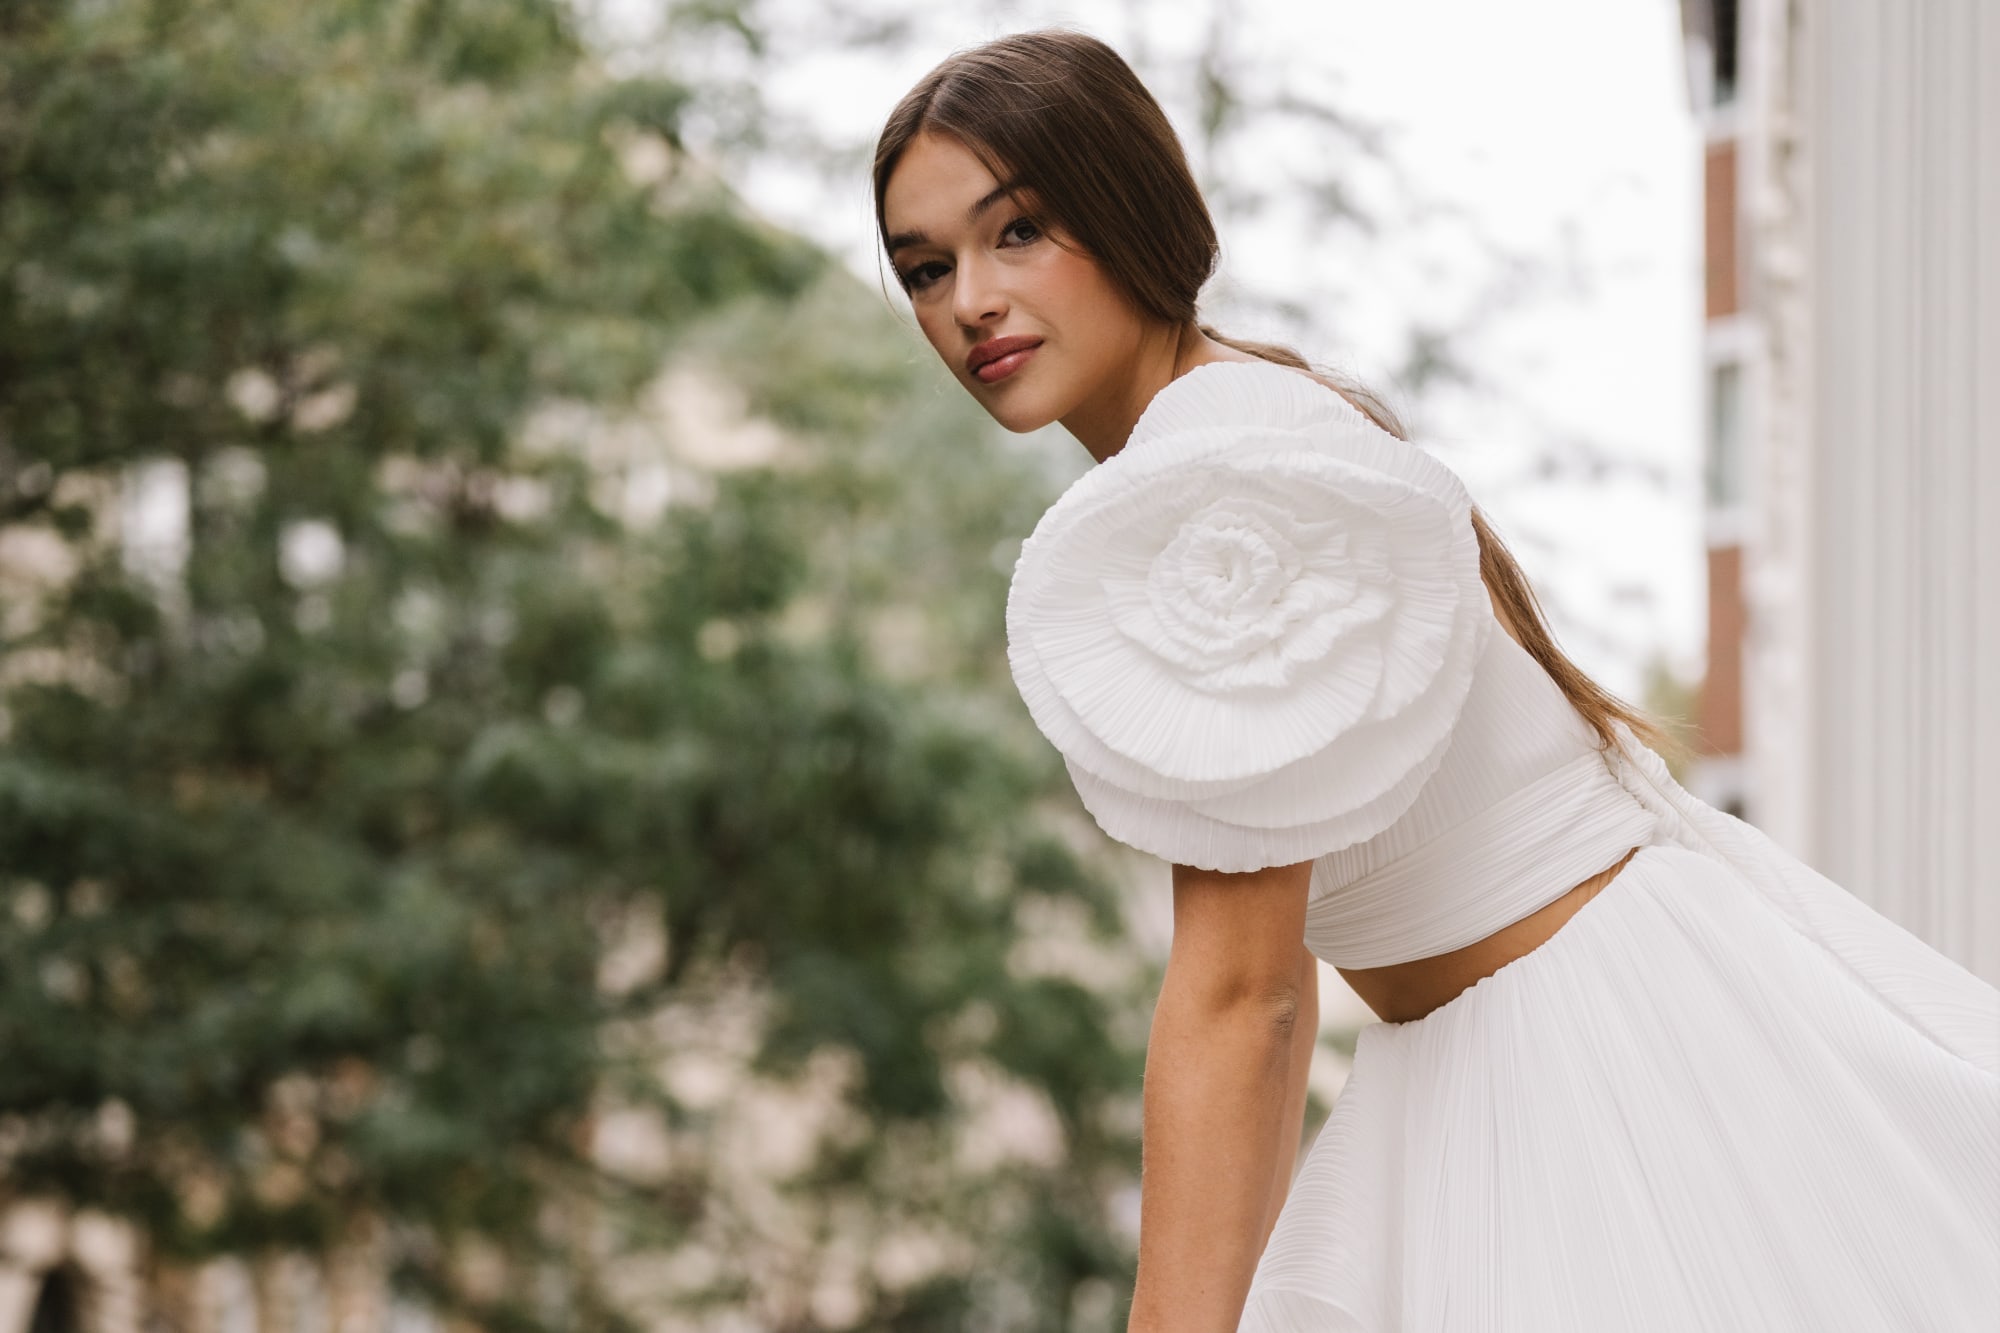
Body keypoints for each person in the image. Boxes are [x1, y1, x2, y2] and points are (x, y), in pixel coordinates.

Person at [871, 27, 2000, 1333]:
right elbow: (1274, 1000)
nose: (970, 301)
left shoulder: (1221, 474)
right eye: (924, 267)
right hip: (1522, 1042)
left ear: (1132, 205)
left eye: (1018, 231)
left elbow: (1243, 996)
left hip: (1597, 1067)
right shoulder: (1246, 423)